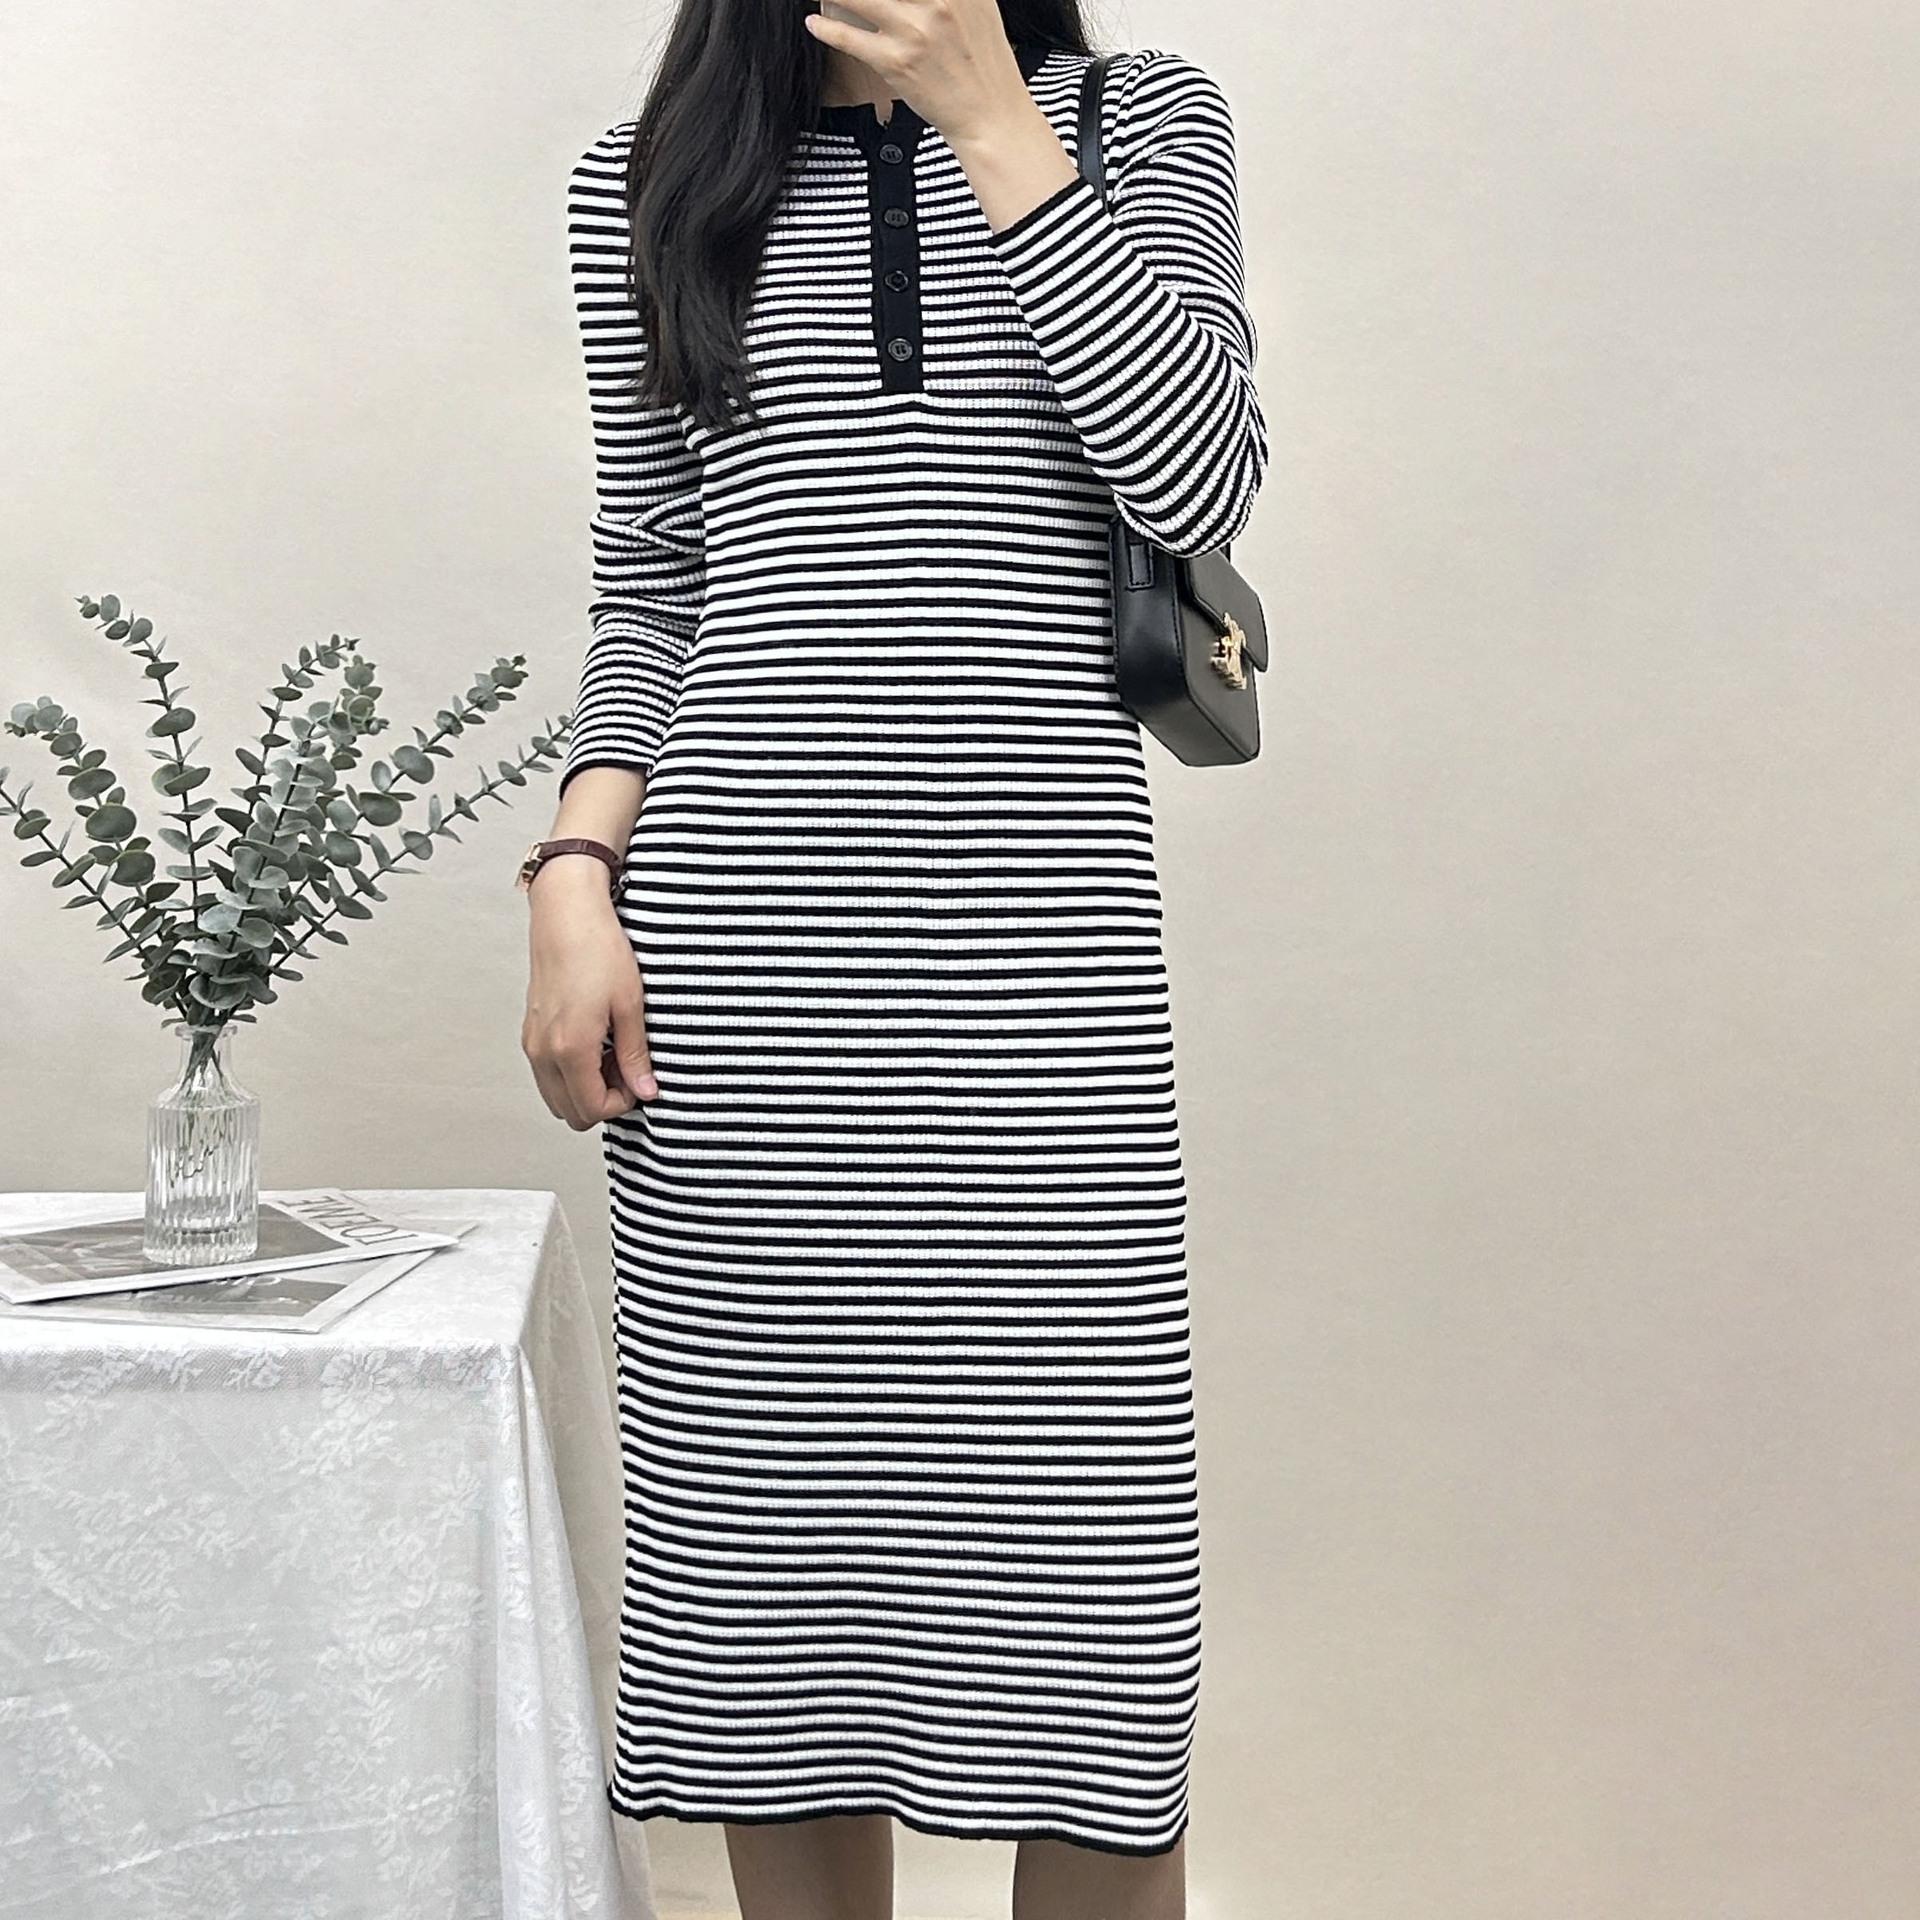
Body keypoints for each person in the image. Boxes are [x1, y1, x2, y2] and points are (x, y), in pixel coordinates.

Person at [521, 2, 1266, 1914]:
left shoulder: (1136, 118)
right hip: (735, 981)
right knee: (765, 1627)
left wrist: (995, 127)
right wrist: (573, 876)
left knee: (1094, 1640)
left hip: (1039, 979)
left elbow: (1198, 482)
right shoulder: (646, 182)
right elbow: (650, 576)